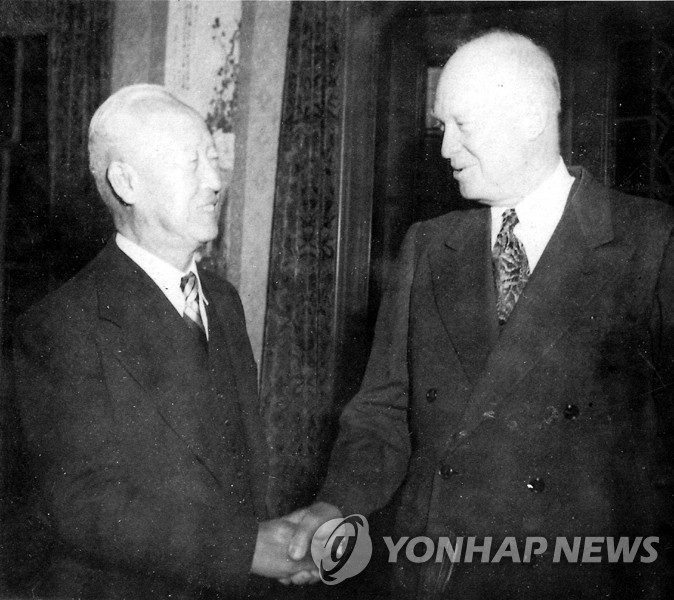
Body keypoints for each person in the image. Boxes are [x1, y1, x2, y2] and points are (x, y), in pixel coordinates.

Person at [286, 30, 674, 598]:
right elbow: (382, 410)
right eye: (442, 126)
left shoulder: (652, 241)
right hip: (436, 570)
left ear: (532, 118)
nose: (446, 148)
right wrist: (337, 502)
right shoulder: (428, 245)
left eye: (462, 125)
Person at [12, 84, 313, 599]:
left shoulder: (223, 300)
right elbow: (83, 505)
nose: (215, 180)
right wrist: (246, 550)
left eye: (213, 158)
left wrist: (273, 546)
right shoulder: (61, 325)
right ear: (126, 182)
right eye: (191, 163)